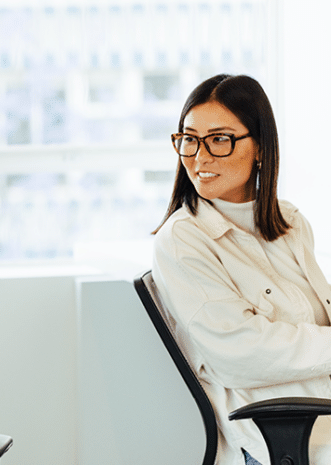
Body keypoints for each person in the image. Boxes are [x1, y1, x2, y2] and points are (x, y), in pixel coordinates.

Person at [152, 74, 331, 465]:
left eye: (219, 139)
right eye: (189, 139)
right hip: (284, 432)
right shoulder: (182, 241)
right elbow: (240, 353)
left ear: (261, 147)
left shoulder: (290, 222)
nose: (199, 158)